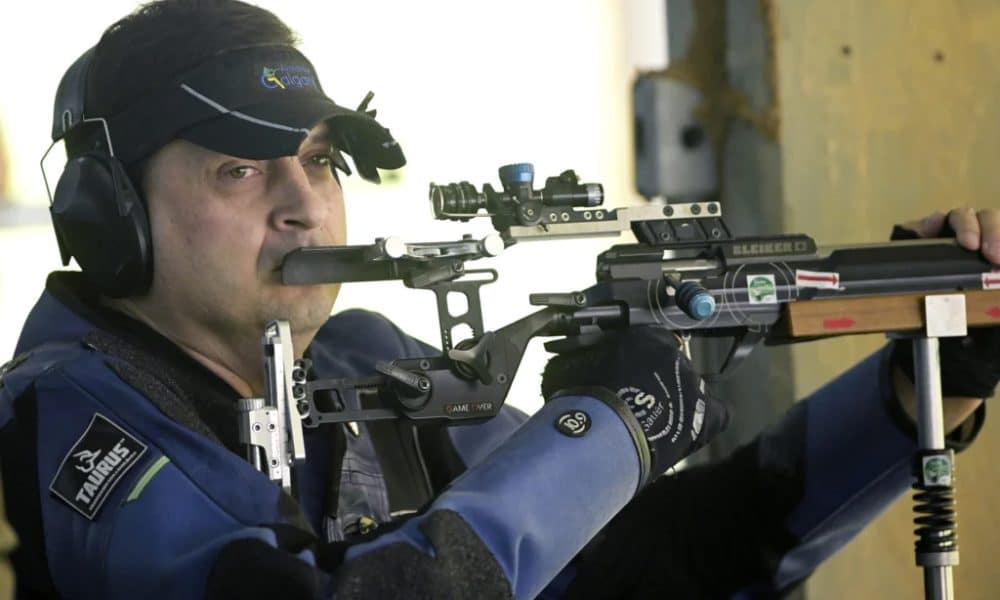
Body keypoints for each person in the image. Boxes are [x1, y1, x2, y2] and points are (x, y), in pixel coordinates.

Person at [0, 1, 996, 598]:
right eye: (238, 172)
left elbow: (640, 568)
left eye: (318, 162)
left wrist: (909, 407)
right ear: (110, 214)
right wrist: (602, 430)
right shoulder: (65, 414)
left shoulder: (354, 360)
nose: (305, 207)